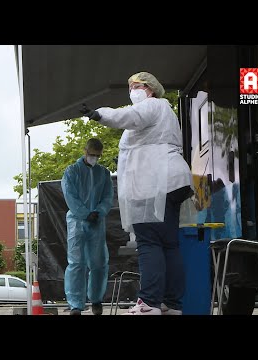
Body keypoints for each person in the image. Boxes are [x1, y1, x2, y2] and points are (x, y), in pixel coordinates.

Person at [80, 72, 194, 315]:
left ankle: (149, 302)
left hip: (156, 183)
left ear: (151, 89)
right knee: (169, 244)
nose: (132, 89)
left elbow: (128, 116)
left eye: (137, 85)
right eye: (130, 86)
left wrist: (100, 114)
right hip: (172, 181)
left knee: (149, 241)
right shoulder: (164, 112)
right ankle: (171, 304)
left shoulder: (152, 105)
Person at [61, 138, 114, 315]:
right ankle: (76, 304)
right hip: (77, 222)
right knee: (76, 262)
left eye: (97, 156)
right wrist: (85, 213)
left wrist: (98, 211)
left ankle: (96, 300)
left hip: (97, 222)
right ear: (85, 151)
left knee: (99, 263)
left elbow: (108, 196)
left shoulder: (104, 173)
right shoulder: (72, 172)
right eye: (92, 155)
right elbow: (70, 196)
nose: (94, 158)